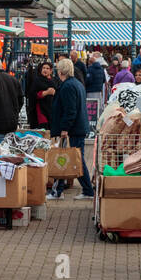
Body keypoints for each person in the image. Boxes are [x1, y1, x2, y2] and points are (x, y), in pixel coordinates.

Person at [48, 57, 95, 201]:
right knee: (71, 158)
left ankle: (84, 190)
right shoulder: (76, 84)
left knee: (74, 159)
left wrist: (64, 128)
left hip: (72, 128)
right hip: (78, 127)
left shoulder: (67, 86)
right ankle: (61, 189)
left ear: (61, 71)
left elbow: (70, 110)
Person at [28, 60, 57, 129]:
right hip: (40, 109)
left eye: (47, 68)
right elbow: (32, 94)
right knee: (43, 127)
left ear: (51, 70)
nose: (45, 70)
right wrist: (45, 93)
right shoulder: (37, 80)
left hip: (52, 109)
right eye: (43, 68)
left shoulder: (55, 81)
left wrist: (54, 93)